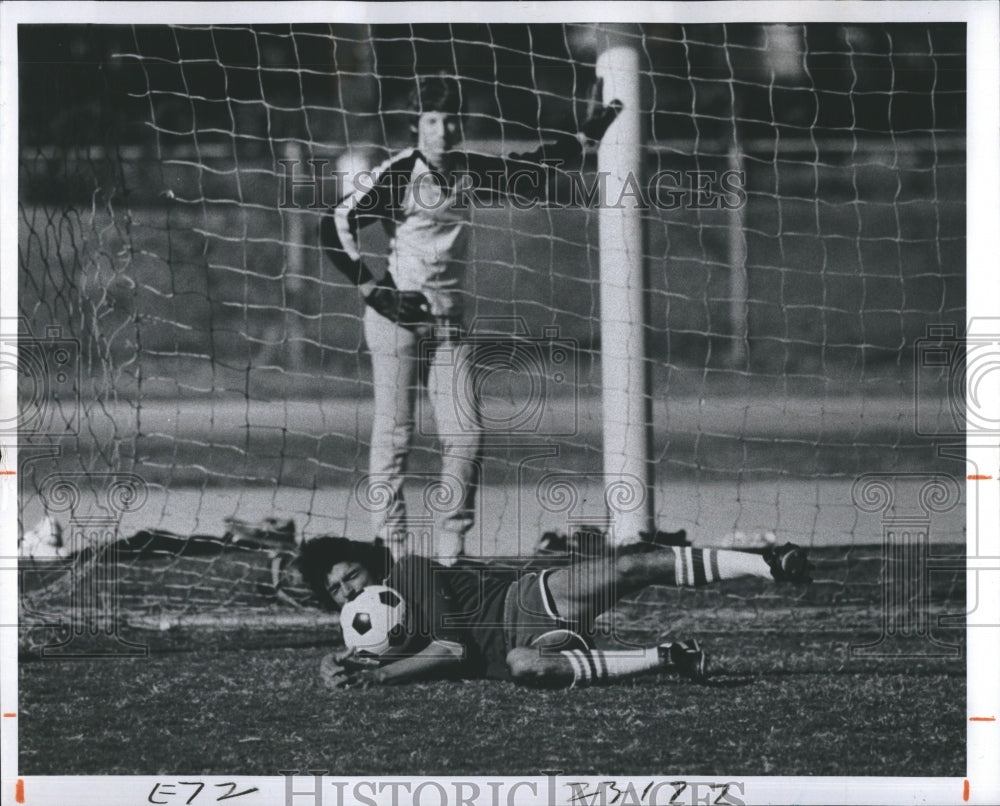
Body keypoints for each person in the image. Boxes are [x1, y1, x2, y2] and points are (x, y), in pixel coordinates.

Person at [320, 74, 622, 565]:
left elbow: (536, 168)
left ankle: (450, 554)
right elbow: (334, 223)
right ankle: (392, 551)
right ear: (416, 126)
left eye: (451, 118)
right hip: (397, 319)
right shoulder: (399, 173)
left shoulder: (467, 170)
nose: (443, 129)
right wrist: (374, 290)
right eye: (432, 119)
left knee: (465, 435)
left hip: (449, 325)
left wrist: (588, 134)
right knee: (396, 434)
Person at [297, 536, 813, 689]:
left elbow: (450, 649)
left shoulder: (407, 571)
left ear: (369, 567)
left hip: (530, 601)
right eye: (337, 590)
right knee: (528, 668)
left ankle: (764, 563)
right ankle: (664, 658)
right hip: (527, 649)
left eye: (352, 576)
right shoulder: (370, 636)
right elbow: (383, 649)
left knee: (630, 566)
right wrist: (341, 663)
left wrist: (381, 678)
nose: (348, 591)